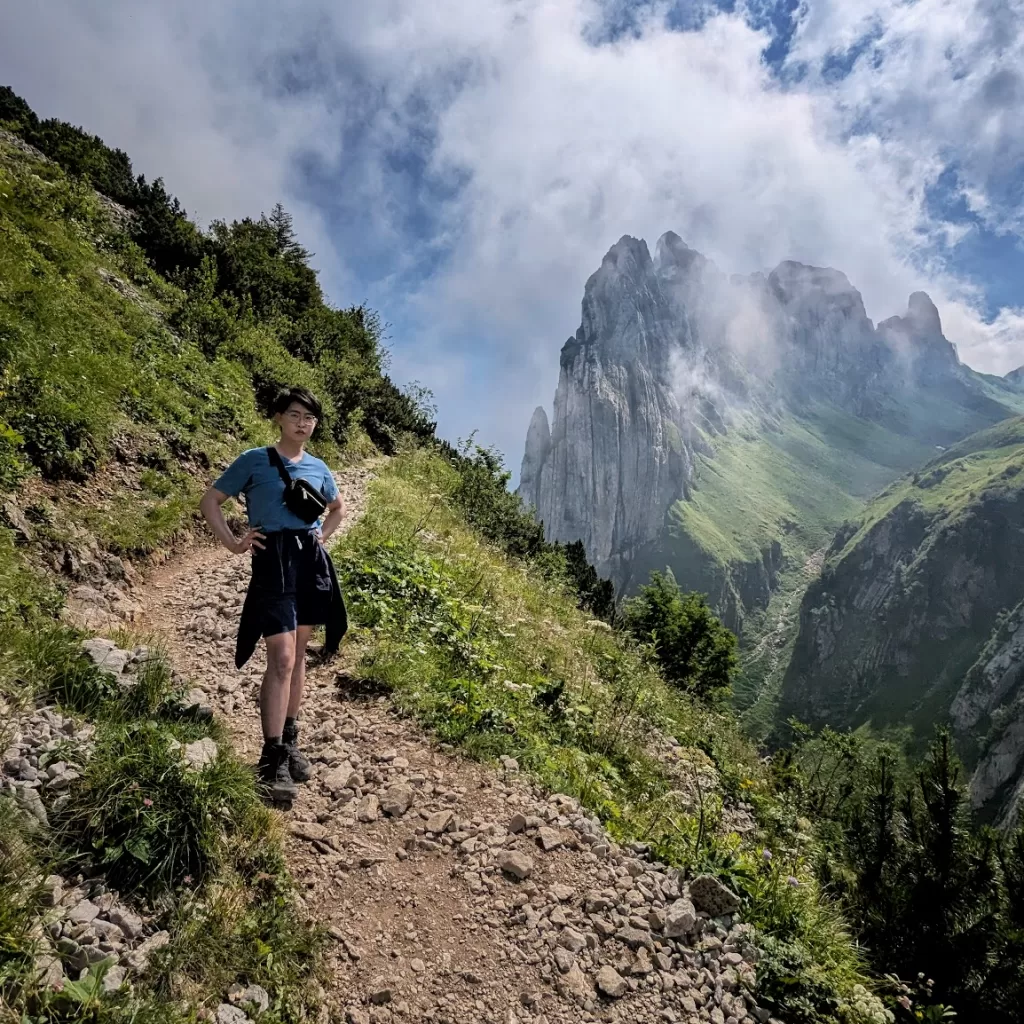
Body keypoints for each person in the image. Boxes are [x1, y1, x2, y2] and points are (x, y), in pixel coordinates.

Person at [199, 386, 346, 801]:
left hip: (308, 560)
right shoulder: (254, 460)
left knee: (298, 655)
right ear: (279, 417)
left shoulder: (319, 466)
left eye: (310, 418)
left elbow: (337, 509)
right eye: (296, 415)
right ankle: (271, 756)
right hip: (272, 559)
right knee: (280, 657)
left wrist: (323, 536)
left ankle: (290, 737)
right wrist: (232, 542)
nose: (303, 423)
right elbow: (210, 501)